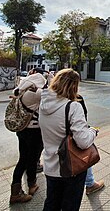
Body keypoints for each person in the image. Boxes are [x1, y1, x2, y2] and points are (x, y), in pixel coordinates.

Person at [39, 68, 98, 210]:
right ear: (73, 86)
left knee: (51, 203)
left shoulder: (43, 104)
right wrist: (92, 132)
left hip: (50, 165)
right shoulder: (73, 107)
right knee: (70, 206)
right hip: (70, 167)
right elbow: (83, 142)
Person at [9, 70, 47, 204]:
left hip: (22, 129)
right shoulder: (37, 93)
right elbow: (54, 95)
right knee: (32, 159)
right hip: (35, 131)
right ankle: (31, 185)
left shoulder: (20, 91)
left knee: (23, 159)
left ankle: (16, 190)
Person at [76, 94, 105, 195]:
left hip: (52, 163)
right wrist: (92, 131)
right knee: (85, 155)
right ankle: (90, 184)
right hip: (75, 143)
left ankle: (89, 183)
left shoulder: (47, 101)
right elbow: (83, 140)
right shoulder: (76, 101)